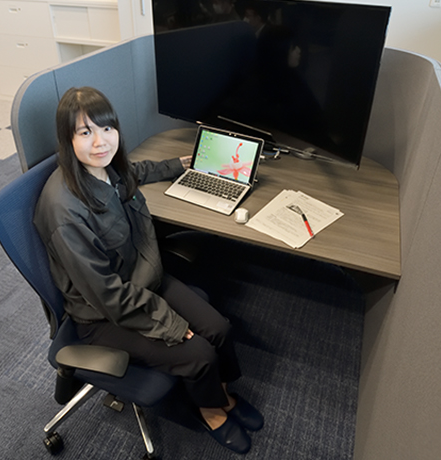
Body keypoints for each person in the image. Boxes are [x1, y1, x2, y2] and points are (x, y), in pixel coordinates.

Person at [33, 87, 263, 454]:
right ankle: (210, 411)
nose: (100, 142)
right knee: (199, 354)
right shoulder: (65, 211)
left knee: (219, 328)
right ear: (67, 138)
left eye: (106, 128)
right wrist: (170, 325)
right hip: (102, 314)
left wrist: (179, 166)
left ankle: (221, 396)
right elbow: (107, 295)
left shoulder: (105, 168)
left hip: (141, 278)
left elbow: (133, 172)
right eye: (85, 132)